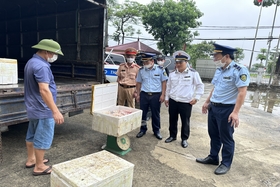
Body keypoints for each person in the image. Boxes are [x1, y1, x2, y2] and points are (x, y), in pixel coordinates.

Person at [196, 43, 250, 175]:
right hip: (214, 108)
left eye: (216, 56)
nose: (214, 58)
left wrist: (235, 112)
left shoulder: (239, 70)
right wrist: (207, 102)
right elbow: (215, 87)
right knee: (213, 135)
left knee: (226, 138)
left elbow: (242, 92)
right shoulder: (219, 69)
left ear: (226, 56)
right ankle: (213, 157)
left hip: (227, 109)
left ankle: (226, 163)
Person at [24, 39, 64, 176]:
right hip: (43, 109)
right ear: (46, 51)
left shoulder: (31, 62)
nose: (54, 56)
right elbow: (44, 90)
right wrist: (55, 111)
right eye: (53, 53)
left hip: (33, 107)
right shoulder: (42, 66)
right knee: (43, 137)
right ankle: (39, 166)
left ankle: (31, 159)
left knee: (32, 135)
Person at [164, 51, 204, 148]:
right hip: (173, 101)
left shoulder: (193, 73)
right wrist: (166, 98)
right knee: (172, 119)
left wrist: (197, 98)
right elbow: (168, 87)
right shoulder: (172, 73)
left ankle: (184, 139)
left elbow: (200, 86)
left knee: (185, 121)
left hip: (186, 102)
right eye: (176, 62)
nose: (178, 64)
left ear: (186, 62)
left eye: (180, 62)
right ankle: (172, 136)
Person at [135, 53, 168, 140]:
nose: (144, 64)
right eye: (143, 62)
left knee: (155, 114)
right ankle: (142, 129)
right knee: (143, 114)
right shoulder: (141, 70)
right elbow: (138, 83)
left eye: (146, 62)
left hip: (156, 95)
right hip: (144, 95)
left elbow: (164, 83)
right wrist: (138, 94)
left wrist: (163, 94)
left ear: (152, 61)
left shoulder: (160, 70)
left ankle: (156, 130)